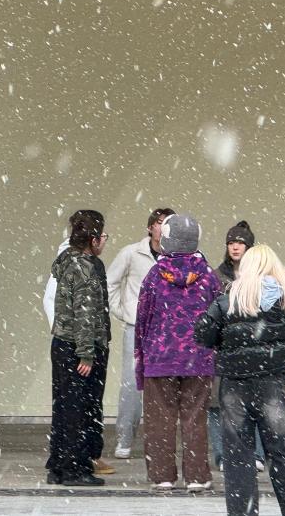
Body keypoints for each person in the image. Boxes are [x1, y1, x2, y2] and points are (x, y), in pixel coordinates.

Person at [195, 244, 285, 516]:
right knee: (280, 448)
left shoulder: (227, 301)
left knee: (238, 454)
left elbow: (202, 334)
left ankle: (243, 510)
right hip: (270, 384)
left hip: (234, 385)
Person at [135, 213, 221, 491]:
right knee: (195, 419)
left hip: (159, 359)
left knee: (159, 421)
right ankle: (197, 476)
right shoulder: (208, 276)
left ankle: (162, 476)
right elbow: (219, 317)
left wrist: (141, 359)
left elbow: (142, 320)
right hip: (199, 359)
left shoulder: (154, 276)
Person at [42, 209, 115, 476]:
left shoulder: (66, 261)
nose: (104, 242)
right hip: (80, 347)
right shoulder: (84, 267)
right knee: (81, 408)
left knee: (64, 407)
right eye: (103, 236)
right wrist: (87, 353)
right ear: (93, 239)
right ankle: (75, 466)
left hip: (62, 344)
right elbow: (85, 314)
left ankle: (59, 463)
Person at [106, 207, 175, 459]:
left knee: (166, 385)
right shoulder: (132, 252)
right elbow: (110, 283)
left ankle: (161, 440)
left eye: (168, 223)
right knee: (132, 385)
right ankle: (124, 438)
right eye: (159, 222)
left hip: (168, 330)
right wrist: (123, 311)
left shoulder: (178, 256)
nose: (163, 227)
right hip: (137, 328)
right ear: (150, 227)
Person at [210, 220, 265, 472]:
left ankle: (256, 454)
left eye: (240, 243)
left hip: (253, 345)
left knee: (255, 402)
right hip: (223, 346)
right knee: (217, 403)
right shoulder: (216, 276)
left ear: (249, 247)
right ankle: (223, 455)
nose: (235, 247)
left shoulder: (260, 276)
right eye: (231, 242)